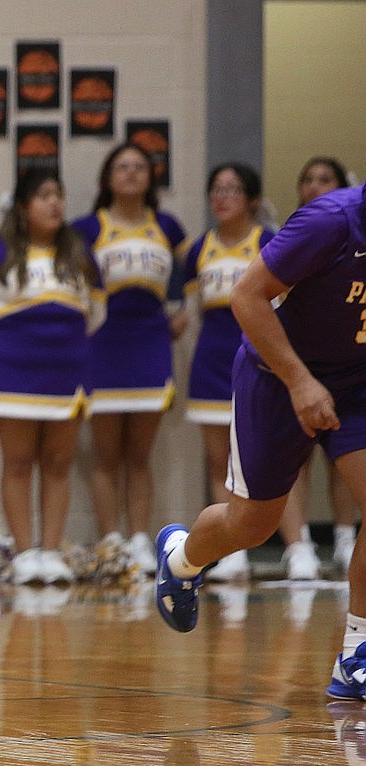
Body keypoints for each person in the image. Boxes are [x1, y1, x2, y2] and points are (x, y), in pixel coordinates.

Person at [153, 179, 366, 704]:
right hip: (277, 374)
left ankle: (357, 653)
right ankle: (182, 559)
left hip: (358, 381)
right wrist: (299, 381)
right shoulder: (330, 221)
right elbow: (247, 296)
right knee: (251, 524)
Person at [0, 169, 104, 585]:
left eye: (58, 194)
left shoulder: (79, 253)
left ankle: (51, 553)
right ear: (22, 206)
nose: (54, 203)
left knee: (58, 464)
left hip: (68, 371)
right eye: (43, 195)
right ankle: (24, 555)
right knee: (18, 463)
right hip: (10, 373)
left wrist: (63, 346)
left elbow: (97, 313)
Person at [71, 143, 190, 575]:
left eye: (140, 166)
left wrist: (185, 312)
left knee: (139, 456)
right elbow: (67, 277)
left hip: (150, 342)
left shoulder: (168, 226)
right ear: (107, 178)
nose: (131, 173)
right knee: (105, 455)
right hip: (103, 343)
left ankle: (141, 538)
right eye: (122, 166)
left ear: (150, 177)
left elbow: (202, 267)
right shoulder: (87, 227)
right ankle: (111, 539)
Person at [181, 163, 282, 581]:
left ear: (253, 199)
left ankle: (298, 547)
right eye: (216, 189)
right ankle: (229, 549)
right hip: (210, 357)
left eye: (233, 189)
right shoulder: (197, 249)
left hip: (259, 355)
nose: (222, 197)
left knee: (266, 456)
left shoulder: (270, 242)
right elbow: (189, 308)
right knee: (217, 458)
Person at [281, 156, 359, 574]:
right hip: (297, 365)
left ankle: (346, 538)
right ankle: (299, 547)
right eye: (306, 179)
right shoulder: (293, 236)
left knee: (347, 458)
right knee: (293, 461)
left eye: (324, 178)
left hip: (350, 366)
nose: (314, 186)